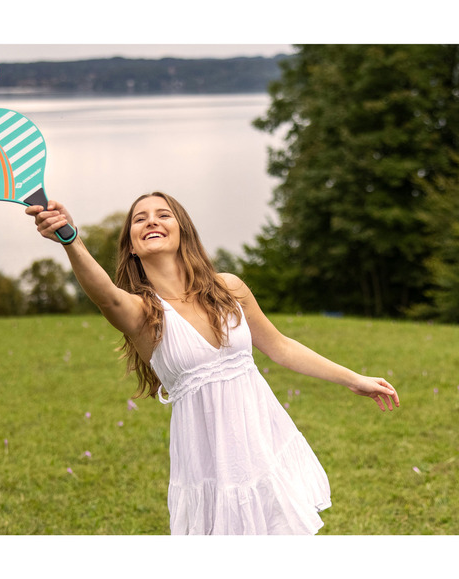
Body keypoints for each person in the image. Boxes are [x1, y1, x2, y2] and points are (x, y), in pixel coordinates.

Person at [26, 191, 400, 535]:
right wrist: (70, 239)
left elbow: (280, 347)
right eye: (139, 219)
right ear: (132, 248)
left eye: (163, 214)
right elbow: (106, 295)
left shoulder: (229, 289)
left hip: (262, 443)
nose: (151, 221)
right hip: (208, 464)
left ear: (182, 232)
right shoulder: (142, 312)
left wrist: (354, 379)